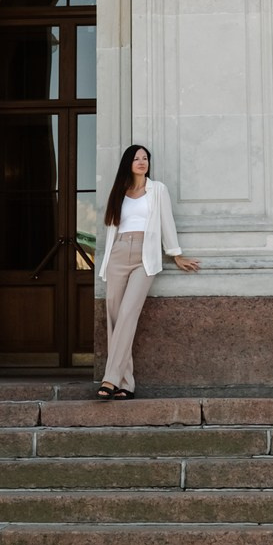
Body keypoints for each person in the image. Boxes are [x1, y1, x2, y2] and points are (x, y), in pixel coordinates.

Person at [96, 143, 197, 398]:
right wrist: (108, 261)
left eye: (145, 158)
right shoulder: (119, 191)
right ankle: (125, 384)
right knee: (116, 319)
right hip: (119, 253)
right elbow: (112, 227)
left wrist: (175, 253)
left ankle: (109, 379)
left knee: (128, 314)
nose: (142, 162)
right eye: (136, 158)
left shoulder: (157, 190)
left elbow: (166, 222)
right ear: (128, 164)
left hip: (145, 256)